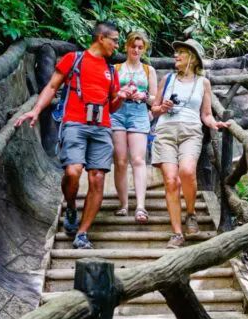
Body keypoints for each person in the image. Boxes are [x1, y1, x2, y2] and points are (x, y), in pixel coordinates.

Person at [15, 21, 132, 250]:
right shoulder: (74, 59)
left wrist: (122, 96)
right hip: (75, 124)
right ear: (100, 38)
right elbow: (51, 87)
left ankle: (82, 232)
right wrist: (36, 110)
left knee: (97, 178)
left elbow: (113, 106)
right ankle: (70, 206)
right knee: (73, 171)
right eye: (114, 40)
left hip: (102, 127)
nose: (116, 46)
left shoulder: (111, 70)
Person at [150, 39, 229, 249]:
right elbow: (153, 110)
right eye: (176, 52)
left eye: (181, 53)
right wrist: (162, 108)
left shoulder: (203, 83)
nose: (176, 56)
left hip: (191, 132)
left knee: (186, 172)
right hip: (165, 131)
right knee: (170, 180)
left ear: (193, 58)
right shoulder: (167, 79)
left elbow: (206, 114)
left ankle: (191, 213)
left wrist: (216, 124)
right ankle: (177, 233)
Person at [111, 31, 158, 223]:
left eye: (140, 47)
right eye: (133, 46)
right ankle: (123, 204)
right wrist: (122, 93)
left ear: (144, 49)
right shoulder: (116, 68)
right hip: (118, 113)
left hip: (139, 113)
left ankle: (140, 206)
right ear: (127, 46)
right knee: (120, 160)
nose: (136, 50)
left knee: (138, 159)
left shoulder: (149, 70)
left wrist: (144, 96)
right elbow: (110, 95)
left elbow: (155, 98)